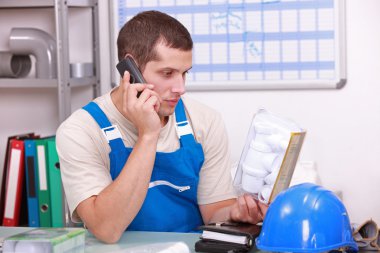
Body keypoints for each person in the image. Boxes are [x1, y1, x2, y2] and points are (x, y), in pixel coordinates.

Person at [56, 10, 267, 244]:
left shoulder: (205, 121)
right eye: (167, 73)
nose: (180, 88)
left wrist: (235, 213)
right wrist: (148, 135)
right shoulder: (80, 130)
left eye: (184, 73)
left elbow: (213, 210)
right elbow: (107, 229)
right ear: (131, 70)